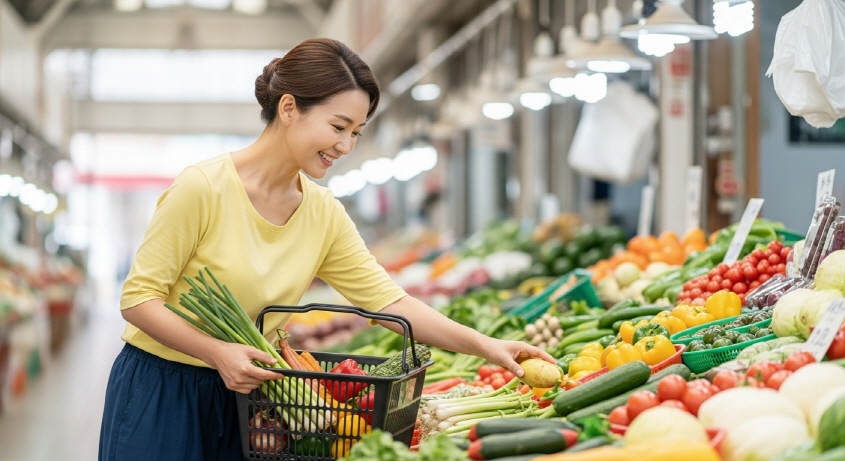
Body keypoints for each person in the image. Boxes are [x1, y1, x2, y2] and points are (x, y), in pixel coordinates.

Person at [98, 38, 554, 461]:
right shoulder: (202, 189)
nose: (345, 146)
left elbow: (388, 302)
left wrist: (486, 345)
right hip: (163, 388)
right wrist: (217, 352)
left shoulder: (322, 211)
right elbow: (138, 300)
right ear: (290, 108)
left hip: (251, 397)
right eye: (339, 126)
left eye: (356, 132)